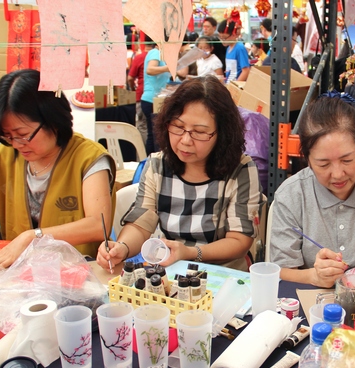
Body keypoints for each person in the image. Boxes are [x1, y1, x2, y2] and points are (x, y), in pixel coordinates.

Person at [0, 69, 116, 266]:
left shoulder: (88, 158)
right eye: (7, 136)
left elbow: (97, 225)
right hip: (21, 270)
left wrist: (32, 237)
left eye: (22, 135)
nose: (16, 144)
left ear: (53, 121)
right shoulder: (8, 154)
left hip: (78, 269)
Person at [97, 76, 264, 272]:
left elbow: (239, 240)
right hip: (170, 271)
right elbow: (141, 224)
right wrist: (122, 248)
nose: (185, 140)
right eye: (178, 127)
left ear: (222, 134)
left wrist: (190, 252)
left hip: (224, 273)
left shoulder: (241, 169)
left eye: (199, 132)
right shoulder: (158, 164)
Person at [269, 96, 355, 290]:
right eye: (323, 164)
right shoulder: (291, 194)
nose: (337, 174)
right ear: (308, 160)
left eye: (347, 160)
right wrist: (314, 276)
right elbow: (281, 272)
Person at [141, 36, 171, 154]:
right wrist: (168, 68)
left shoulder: (162, 56)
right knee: (155, 137)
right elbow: (150, 70)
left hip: (155, 99)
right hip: (151, 100)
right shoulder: (155, 52)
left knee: (154, 135)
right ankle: (151, 160)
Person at [127, 32, 149, 143]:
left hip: (142, 95)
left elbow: (130, 78)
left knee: (142, 125)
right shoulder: (161, 56)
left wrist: (132, 89)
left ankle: (142, 151)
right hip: (159, 96)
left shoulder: (140, 57)